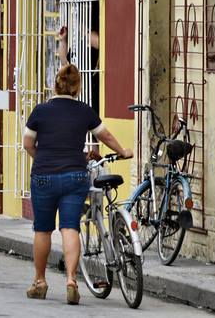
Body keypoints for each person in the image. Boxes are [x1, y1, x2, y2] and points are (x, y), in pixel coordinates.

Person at [22, 62, 132, 305]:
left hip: (44, 176)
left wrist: (42, 158)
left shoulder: (40, 111)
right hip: (75, 175)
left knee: (43, 229)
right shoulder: (85, 111)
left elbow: (28, 144)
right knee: (70, 227)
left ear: (56, 84)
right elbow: (105, 135)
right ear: (77, 88)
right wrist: (123, 151)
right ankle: (72, 280)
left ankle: (40, 282)